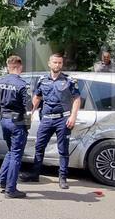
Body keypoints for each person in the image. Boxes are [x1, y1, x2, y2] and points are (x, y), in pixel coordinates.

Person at [31, 52, 82, 189]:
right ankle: (35, 174)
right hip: (46, 119)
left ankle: (63, 178)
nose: (57, 65)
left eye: (59, 62)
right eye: (55, 62)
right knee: (39, 147)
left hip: (62, 120)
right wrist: (30, 113)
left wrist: (73, 116)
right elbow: (37, 98)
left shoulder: (69, 81)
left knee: (63, 150)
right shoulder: (42, 80)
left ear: (62, 64)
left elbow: (77, 99)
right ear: (49, 63)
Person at [0, 55, 33, 198]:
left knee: (11, 151)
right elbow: (29, 106)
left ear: (8, 68)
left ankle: (2, 181)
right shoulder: (23, 85)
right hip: (17, 122)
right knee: (16, 155)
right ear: (20, 68)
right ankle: (11, 190)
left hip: (4, 120)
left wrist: (1, 112)